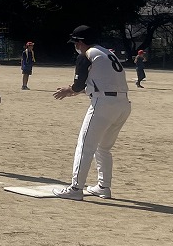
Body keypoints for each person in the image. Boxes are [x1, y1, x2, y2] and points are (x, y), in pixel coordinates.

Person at [51, 25, 131, 199]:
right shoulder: (106, 53)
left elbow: (79, 85)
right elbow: (100, 81)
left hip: (103, 104)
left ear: (80, 42)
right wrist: (72, 91)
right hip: (123, 104)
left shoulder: (85, 55)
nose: (75, 46)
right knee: (103, 148)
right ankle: (103, 186)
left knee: (85, 146)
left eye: (76, 42)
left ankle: (75, 189)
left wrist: (71, 89)